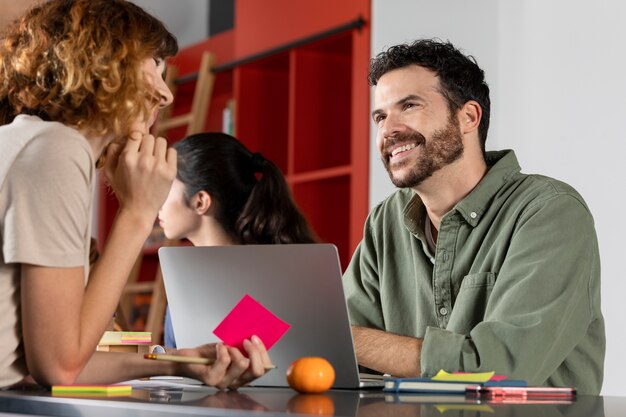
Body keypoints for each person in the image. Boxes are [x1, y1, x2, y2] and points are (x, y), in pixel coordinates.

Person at [0, 0, 271, 390]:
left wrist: (180, 362)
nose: (165, 96)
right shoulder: (59, 149)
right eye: (154, 67)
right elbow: (59, 367)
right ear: (103, 60)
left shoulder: (32, 140)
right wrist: (137, 211)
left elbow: (51, 360)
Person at [342, 39, 605, 394]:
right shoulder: (385, 222)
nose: (388, 130)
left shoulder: (549, 212)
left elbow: (498, 371)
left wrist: (343, 338)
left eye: (409, 106)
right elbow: (334, 350)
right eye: (381, 116)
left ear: (468, 117)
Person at [157, 132, 318, 348]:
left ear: (200, 201)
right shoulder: (185, 283)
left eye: (166, 188)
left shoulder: (265, 289)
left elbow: (239, 368)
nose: (156, 200)